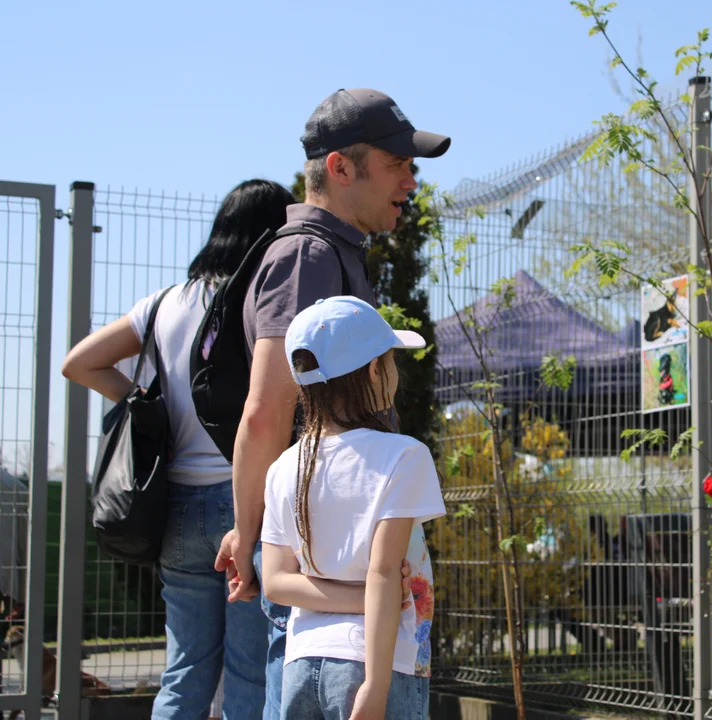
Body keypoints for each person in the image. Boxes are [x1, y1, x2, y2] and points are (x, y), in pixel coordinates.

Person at [214, 88, 450, 718]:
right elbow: (266, 410)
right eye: (398, 164)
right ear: (342, 167)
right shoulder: (309, 257)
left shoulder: (332, 252)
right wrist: (249, 531)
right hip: (327, 587)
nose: (411, 180)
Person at [61, 179, 295, 720]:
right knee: (248, 669)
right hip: (248, 504)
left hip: (177, 509)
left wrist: (147, 401)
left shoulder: (164, 304)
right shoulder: (265, 299)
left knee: (185, 669)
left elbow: (79, 362)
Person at [260, 296, 446, 719]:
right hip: (379, 663)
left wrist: (355, 598)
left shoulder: (283, 467)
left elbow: (275, 582)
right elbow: (383, 573)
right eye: (392, 360)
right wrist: (376, 687)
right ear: (375, 370)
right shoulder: (403, 456)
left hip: (301, 664)